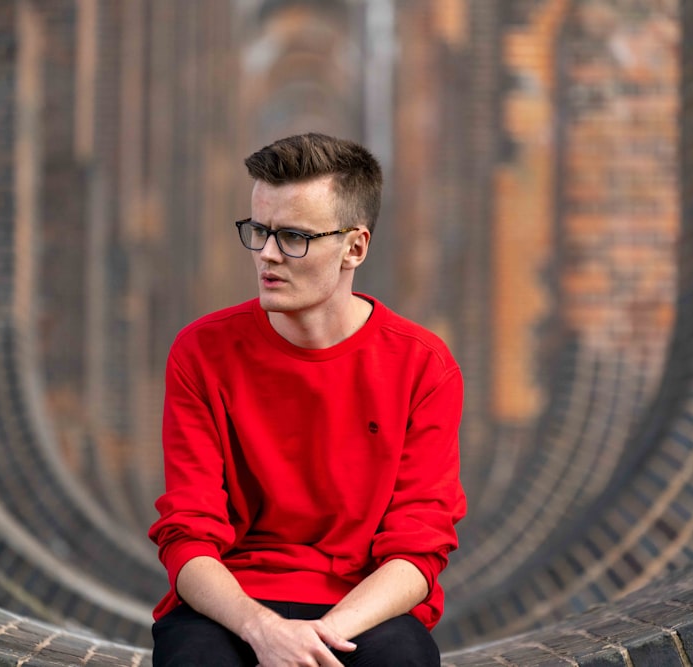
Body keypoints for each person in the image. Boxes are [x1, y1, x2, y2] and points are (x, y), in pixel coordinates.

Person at [148, 132, 466, 666]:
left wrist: (316, 638)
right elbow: (188, 534)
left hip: (364, 611)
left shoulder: (421, 365)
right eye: (259, 231)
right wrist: (263, 629)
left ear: (355, 247)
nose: (268, 255)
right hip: (232, 603)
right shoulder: (201, 352)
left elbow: (419, 547)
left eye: (293, 236)